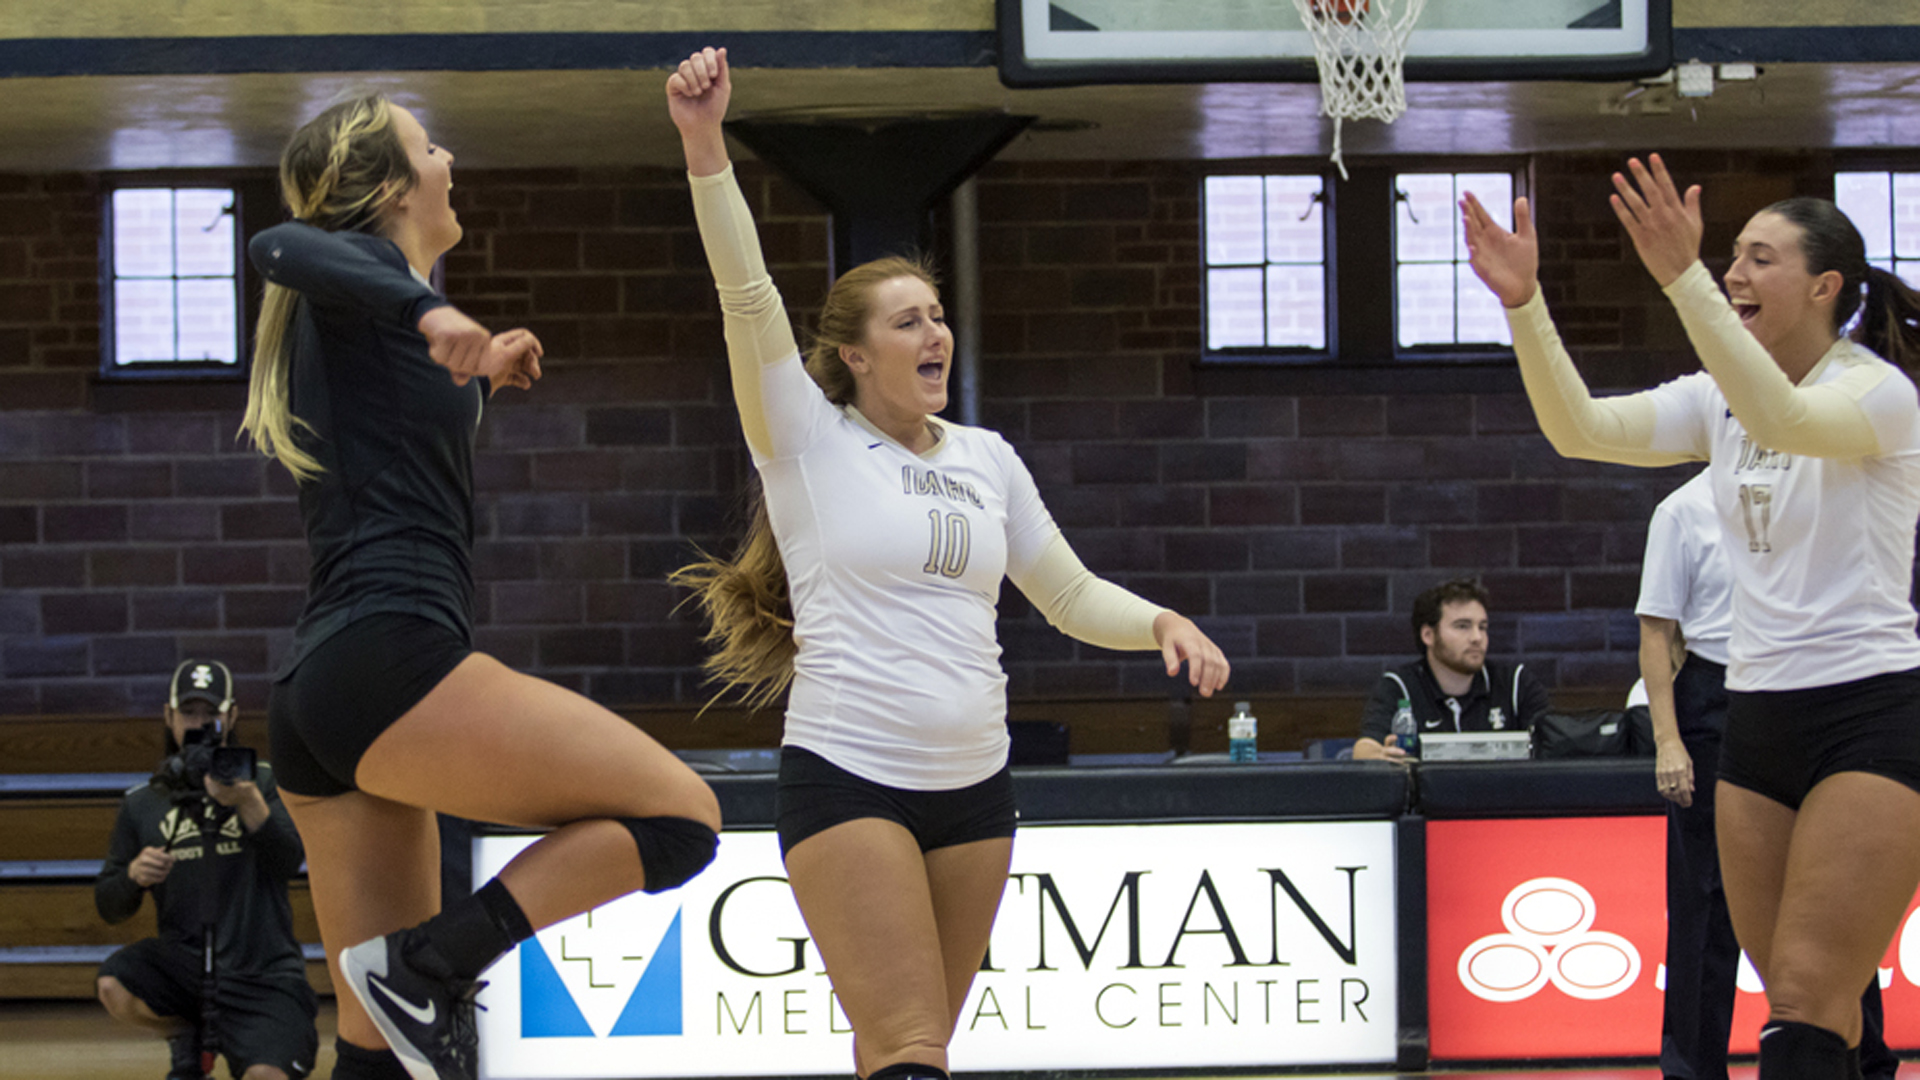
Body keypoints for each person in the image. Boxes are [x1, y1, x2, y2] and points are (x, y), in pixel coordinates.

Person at [665, 48, 1230, 1080]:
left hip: (977, 785)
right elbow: (748, 297)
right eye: (909, 320)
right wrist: (707, 146)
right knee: (913, 1052)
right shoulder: (803, 436)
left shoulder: (987, 459)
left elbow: (1063, 592)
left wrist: (1157, 620)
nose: (938, 332)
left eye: (939, 315)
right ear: (854, 355)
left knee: (901, 1053)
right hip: (850, 776)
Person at [240, 95, 722, 1080]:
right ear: (391, 187)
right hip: (389, 657)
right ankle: (433, 961)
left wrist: (481, 373)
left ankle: (416, 975)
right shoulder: (359, 289)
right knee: (680, 819)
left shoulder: (377, 323)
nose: (449, 157)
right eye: (430, 146)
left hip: (326, 693)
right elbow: (277, 243)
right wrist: (433, 309)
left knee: (386, 1059)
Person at [1462, 153, 1920, 1080]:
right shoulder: (1718, 400)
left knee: (1800, 1002)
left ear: (1825, 285)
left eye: (1759, 259)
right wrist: (1524, 304)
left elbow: (1786, 415)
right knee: (1813, 1014)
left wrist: (1680, 277)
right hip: (1755, 721)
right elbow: (1580, 430)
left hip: (1868, 716)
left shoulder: (1877, 392)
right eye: (1731, 258)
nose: (1734, 274)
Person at [1638, 471, 1896, 1080]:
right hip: (1714, 696)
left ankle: (1863, 1061)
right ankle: (1692, 1068)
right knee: (1707, 895)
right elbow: (1656, 632)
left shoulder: (1814, 498)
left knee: (1837, 892)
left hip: (1807, 690)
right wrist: (1669, 740)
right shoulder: (1682, 511)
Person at [95, 660, 317, 1080]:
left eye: (211, 714)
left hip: (264, 971)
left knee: (267, 1077)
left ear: (231, 716)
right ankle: (185, 1033)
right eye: (189, 713)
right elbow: (108, 905)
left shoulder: (266, 782)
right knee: (113, 986)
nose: (200, 723)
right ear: (169, 716)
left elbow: (289, 860)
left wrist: (247, 799)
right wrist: (133, 877)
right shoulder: (144, 801)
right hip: (186, 968)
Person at [1353, 577, 1550, 760]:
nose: (1477, 638)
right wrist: (1379, 756)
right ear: (1428, 635)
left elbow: (1554, 741)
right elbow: (1364, 748)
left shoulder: (1514, 682)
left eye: (1482, 627)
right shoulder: (1399, 686)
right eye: (1462, 626)